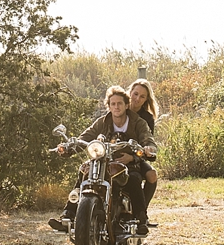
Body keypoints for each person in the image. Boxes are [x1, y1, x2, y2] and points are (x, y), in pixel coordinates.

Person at [48, 85, 157, 234]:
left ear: (126, 105)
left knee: (134, 178)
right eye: (113, 104)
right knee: (84, 172)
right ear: (109, 106)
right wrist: (68, 147)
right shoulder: (103, 121)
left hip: (128, 163)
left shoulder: (138, 122)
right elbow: (85, 137)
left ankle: (140, 218)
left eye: (119, 103)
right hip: (104, 161)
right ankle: (68, 215)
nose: (116, 107)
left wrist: (148, 149)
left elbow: (147, 138)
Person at [128, 78, 160, 226]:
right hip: (114, 154)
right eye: (135, 94)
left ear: (146, 99)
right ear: (130, 93)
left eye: (142, 96)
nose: (137, 99)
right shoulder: (119, 108)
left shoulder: (147, 118)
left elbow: (148, 139)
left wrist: (147, 149)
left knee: (152, 175)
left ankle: (141, 214)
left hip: (136, 156)